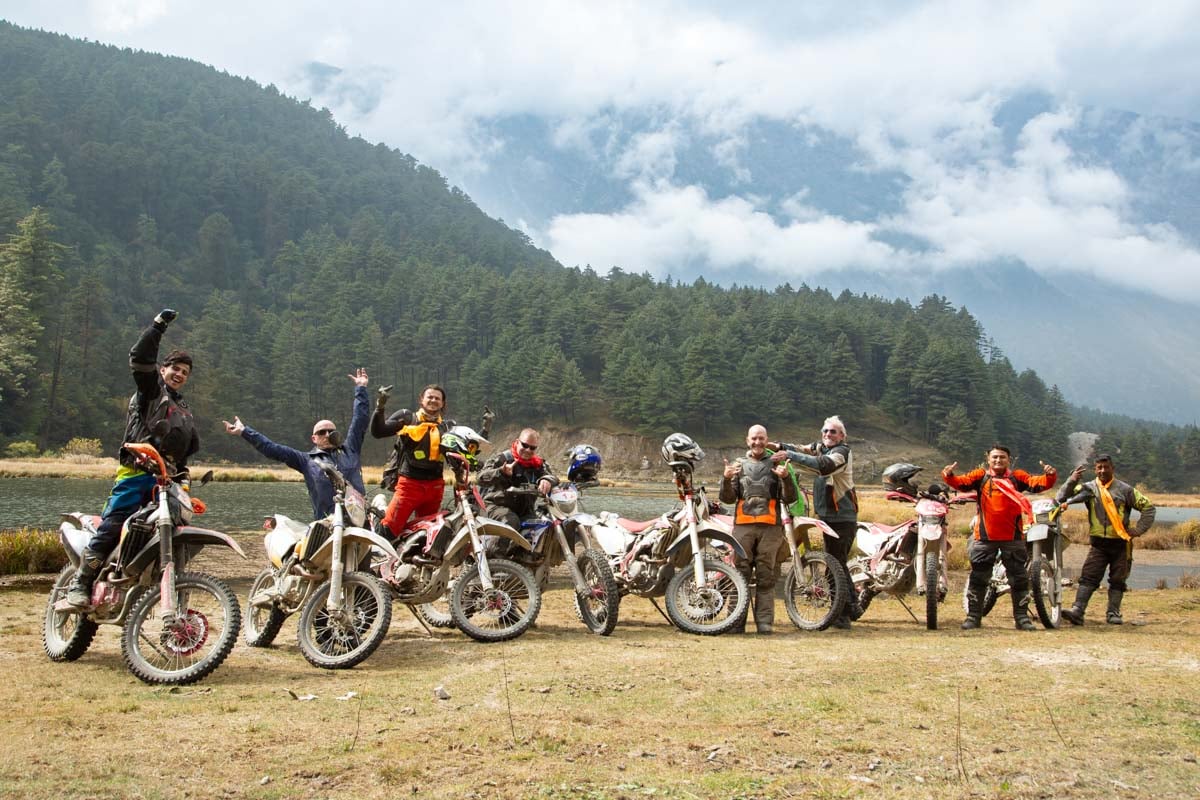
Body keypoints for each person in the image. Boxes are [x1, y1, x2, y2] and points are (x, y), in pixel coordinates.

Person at [65, 309, 198, 607]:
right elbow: (140, 359)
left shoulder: (184, 410)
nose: (179, 374)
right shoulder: (151, 392)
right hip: (136, 473)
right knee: (115, 523)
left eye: (185, 372)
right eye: (174, 368)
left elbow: (184, 451)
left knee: (174, 530)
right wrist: (157, 327)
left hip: (167, 484)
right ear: (162, 370)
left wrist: (184, 476)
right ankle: (81, 581)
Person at [221, 369, 370, 520]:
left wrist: (361, 389)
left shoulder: (350, 449)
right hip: (326, 523)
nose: (326, 435)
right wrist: (244, 431)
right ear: (314, 438)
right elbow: (272, 449)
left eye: (330, 431)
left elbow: (360, 420)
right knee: (305, 543)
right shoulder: (305, 460)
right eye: (321, 432)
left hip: (358, 521)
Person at [942, 445, 1058, 631]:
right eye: (995, 457)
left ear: (1008, 460)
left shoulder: (1017, 477)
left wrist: (1050, 476)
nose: (998, 461)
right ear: (988, 459)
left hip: (1012, 537)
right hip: (984, 537)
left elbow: (1037, 484)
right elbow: (960, 483)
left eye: (1002, 457)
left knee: (1019, 579)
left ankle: (1022, 619)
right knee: (979, 578)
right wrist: (948, 475)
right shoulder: (979, 476)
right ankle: (973, 617)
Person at [770, 415, 860, 629]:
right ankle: (847, 609)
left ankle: (846, 611)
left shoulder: (841, 453)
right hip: (829, 516)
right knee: (835, 561)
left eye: (833, 432)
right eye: (825, 431)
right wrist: (780, 446)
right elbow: (804, 449)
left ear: (842, 436)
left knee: (835, 563)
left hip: (842, 518)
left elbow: (823, 466)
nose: (828, 434)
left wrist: (788, 454)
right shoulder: (823, 447)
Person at [370, 385, 493, 541]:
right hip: (409, 484)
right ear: (422, 399)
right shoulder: (408, 418)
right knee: (388, 531)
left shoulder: (448, 426)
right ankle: (379, 511)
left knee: (427, 535)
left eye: (437, 398)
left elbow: (468, 451)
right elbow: (378, 431)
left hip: (435, 487)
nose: (433, 400)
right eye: (430, 397)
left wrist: (485, 429)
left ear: (443, 404)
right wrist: (380, 406)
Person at [1057, 454, 1155, 625]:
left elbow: (1148, 508)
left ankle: (1113, 613)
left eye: (1105, 467)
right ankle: (1077, 611)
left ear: (1112, 468)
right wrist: (1072, 480)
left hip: (1121, 543)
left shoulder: (1125, 490)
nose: (1102, 471)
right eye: (1099, 468)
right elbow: (1061, 497)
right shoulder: (1087, 488)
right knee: (1088, 577)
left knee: (1118, 579)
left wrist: (1137, 530)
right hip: (1098, 544)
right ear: (1095, 469)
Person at [720, 424, 797, 635]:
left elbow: (790, 498)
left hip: (771, 528)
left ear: (767, 440)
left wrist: (786, 478)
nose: (757, 442)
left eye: (761, 438)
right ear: (747, 440)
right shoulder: (737, 466)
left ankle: (765, 624)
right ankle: (735, 623)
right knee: (739, 575)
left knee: (767, 576)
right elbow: (727, 499)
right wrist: (726, 479)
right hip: (743, 528)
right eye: (754, 438)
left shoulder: (778, 464)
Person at [477, 428, 559, 552]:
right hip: (496, 506)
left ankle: (528, 563)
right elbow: (481, 477)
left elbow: (552, 477)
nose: (528, 450)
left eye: (532, 448)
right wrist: (500, 472)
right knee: (511, 522)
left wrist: (546, 480)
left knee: (542, 526)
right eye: (525, 445)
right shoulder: (502, 458)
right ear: (517, 442)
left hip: (525, 510)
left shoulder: (538, 464)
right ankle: (494, 559)